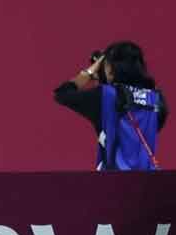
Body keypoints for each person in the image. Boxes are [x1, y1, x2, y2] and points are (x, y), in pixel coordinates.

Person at [54, 41, 168, 171]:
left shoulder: (105, 95)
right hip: (147, 181)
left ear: (110, 67)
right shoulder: (156, 98)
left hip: (114, 181)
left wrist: (90, 72)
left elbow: (62, 94)